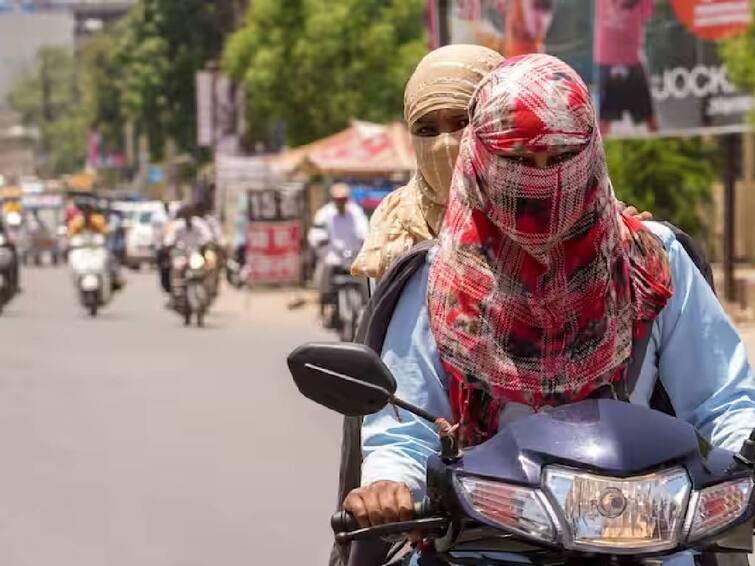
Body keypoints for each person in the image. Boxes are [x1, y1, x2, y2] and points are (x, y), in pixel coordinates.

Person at [344, 55, 755, 555]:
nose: (543, 180)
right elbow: (405, 431)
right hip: (489, 542)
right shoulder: (435, 277)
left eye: (559, 157)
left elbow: (724, 401)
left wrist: (744, 453)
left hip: (646, 539)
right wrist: (391, 486)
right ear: (484, 159)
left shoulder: (650, 262)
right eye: (517, 160)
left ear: (590, 153)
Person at [351, 45, 504, 280]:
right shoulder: (394, 221)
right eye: (426, 129)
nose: (444, 144)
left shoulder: (537, 213)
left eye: (462, 121)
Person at [308, 183, 368, 324]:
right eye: (338, 199)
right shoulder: (324, 213)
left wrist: (366, 240)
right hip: (332, 255)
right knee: (324, 274)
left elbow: (364, 230)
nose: (341, 202)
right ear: (333, 199)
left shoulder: (356, 212)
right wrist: (320, 241)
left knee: (366, 277)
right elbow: (315, 234)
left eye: (343, 199)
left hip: (353, 255)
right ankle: (323, 308)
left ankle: (367, 306)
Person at [594, 0, 657, 135]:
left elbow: (646, 15)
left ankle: (661, 152)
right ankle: (597, 155)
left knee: (649, 118)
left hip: (632, 60)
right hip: (608, 60)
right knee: (604, 120)